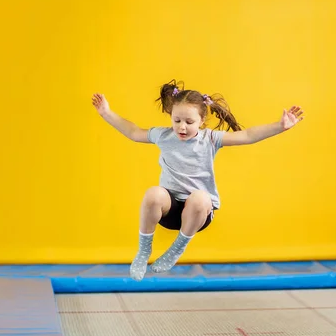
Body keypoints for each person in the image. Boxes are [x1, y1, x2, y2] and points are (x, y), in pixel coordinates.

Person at [92, 80, 304, 280]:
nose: (182, 127)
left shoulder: (210, 139)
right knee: (153, 193)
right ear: (170, 117)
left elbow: (248, 136)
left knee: (201, 198)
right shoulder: (164, 136)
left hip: (198, 213)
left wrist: (280, 126)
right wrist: (107, 113)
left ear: (202, 121)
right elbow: (133, 132)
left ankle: (176, 249)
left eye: (189, 122)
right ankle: (143, 250)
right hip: (170, 210)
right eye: (177, 121)